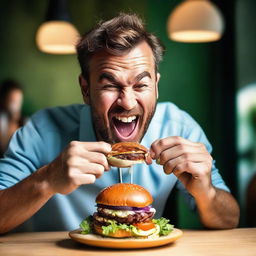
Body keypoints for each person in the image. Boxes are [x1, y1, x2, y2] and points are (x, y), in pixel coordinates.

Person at [0, 13, 239, 233]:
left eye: (141, 85)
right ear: (86, 89)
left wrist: (205, 190)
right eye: (110, 85)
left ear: (156, 86)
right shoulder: (41, 131)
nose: (127, 102)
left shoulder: (179, 127)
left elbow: (230, 220)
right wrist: (47, 179)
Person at [0, 80, 25, 158]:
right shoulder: (2, 120)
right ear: (3, 99)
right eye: (12, 101)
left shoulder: (24, 121)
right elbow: (3, 148)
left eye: (18, 102)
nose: (16, 106)